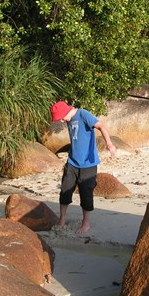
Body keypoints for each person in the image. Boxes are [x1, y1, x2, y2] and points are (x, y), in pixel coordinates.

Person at [50, 100, 117, 234]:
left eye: (61, 118)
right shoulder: (69, 120)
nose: (62, 121)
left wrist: (109, 144)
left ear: (65, 112)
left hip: (88, 164)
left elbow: (101, 126)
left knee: (86, 194)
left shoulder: (83, 114)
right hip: (72, 162)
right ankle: (62, 218)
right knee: (65, 191)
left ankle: (86, 223)